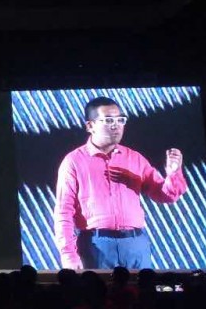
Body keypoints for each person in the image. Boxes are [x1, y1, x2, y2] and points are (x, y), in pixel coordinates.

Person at [53, 97, 187, 270]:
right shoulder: (74, 161)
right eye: (108, 120)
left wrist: (173, 173)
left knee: (143, 287)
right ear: (90, 126)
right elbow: (63, 212)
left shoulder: (134, 158)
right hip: (96, 245)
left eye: (120, 120)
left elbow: (166, 195)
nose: (116, 125)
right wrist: (69, 255)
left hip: (135, 243)